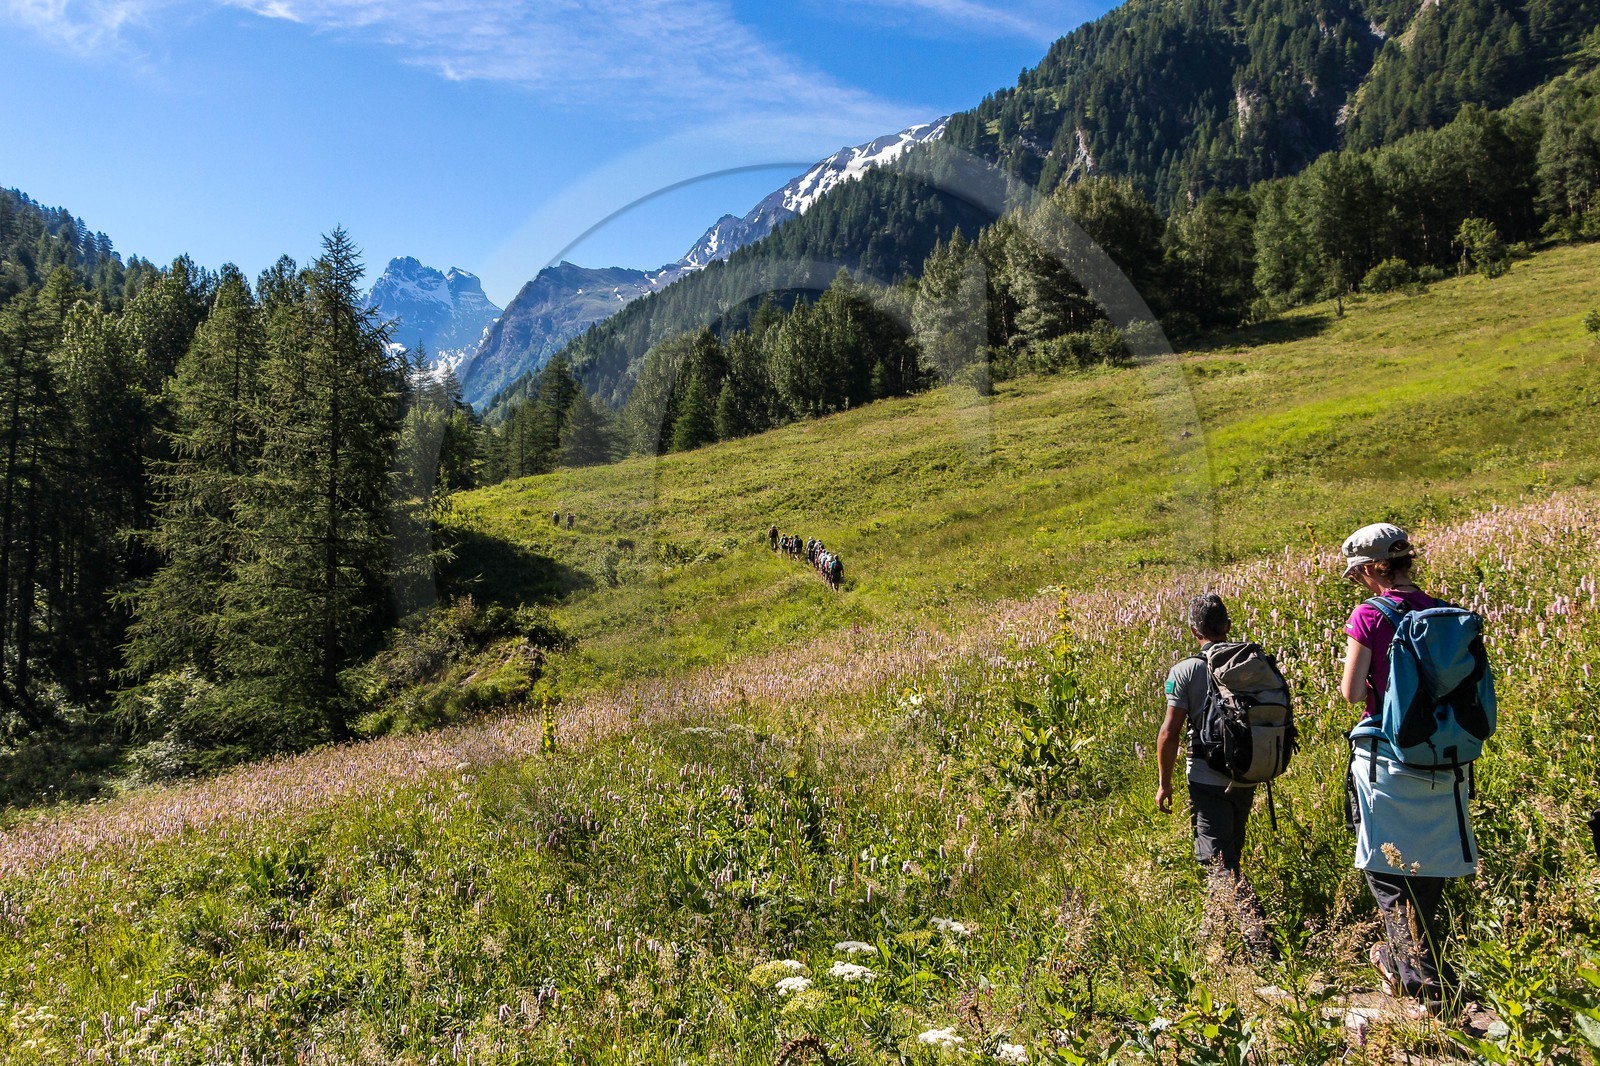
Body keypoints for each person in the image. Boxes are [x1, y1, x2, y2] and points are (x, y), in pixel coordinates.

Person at [1339, 522, 1474, 1013]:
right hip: (1445, 757)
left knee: (1385, 866)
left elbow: (1353, 692)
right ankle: (1413, 963)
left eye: (1358, 574)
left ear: (1374, 568)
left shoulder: (1369, 615)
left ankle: (1422, 981)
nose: (1359, 583)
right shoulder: (1446, 613)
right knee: (1431, 864)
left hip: (1387, 758)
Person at [1156, 593, 1275, 961]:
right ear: (1227, 625)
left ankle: (1263, 948)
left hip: (1208, 778)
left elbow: (1169, 733)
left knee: (1218, 863)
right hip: (1249, 773)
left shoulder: (1185, 671)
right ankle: (1211, 944)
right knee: (1228, 857)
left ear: (1194, 630)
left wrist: (1165, 782)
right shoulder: (1250, 661)